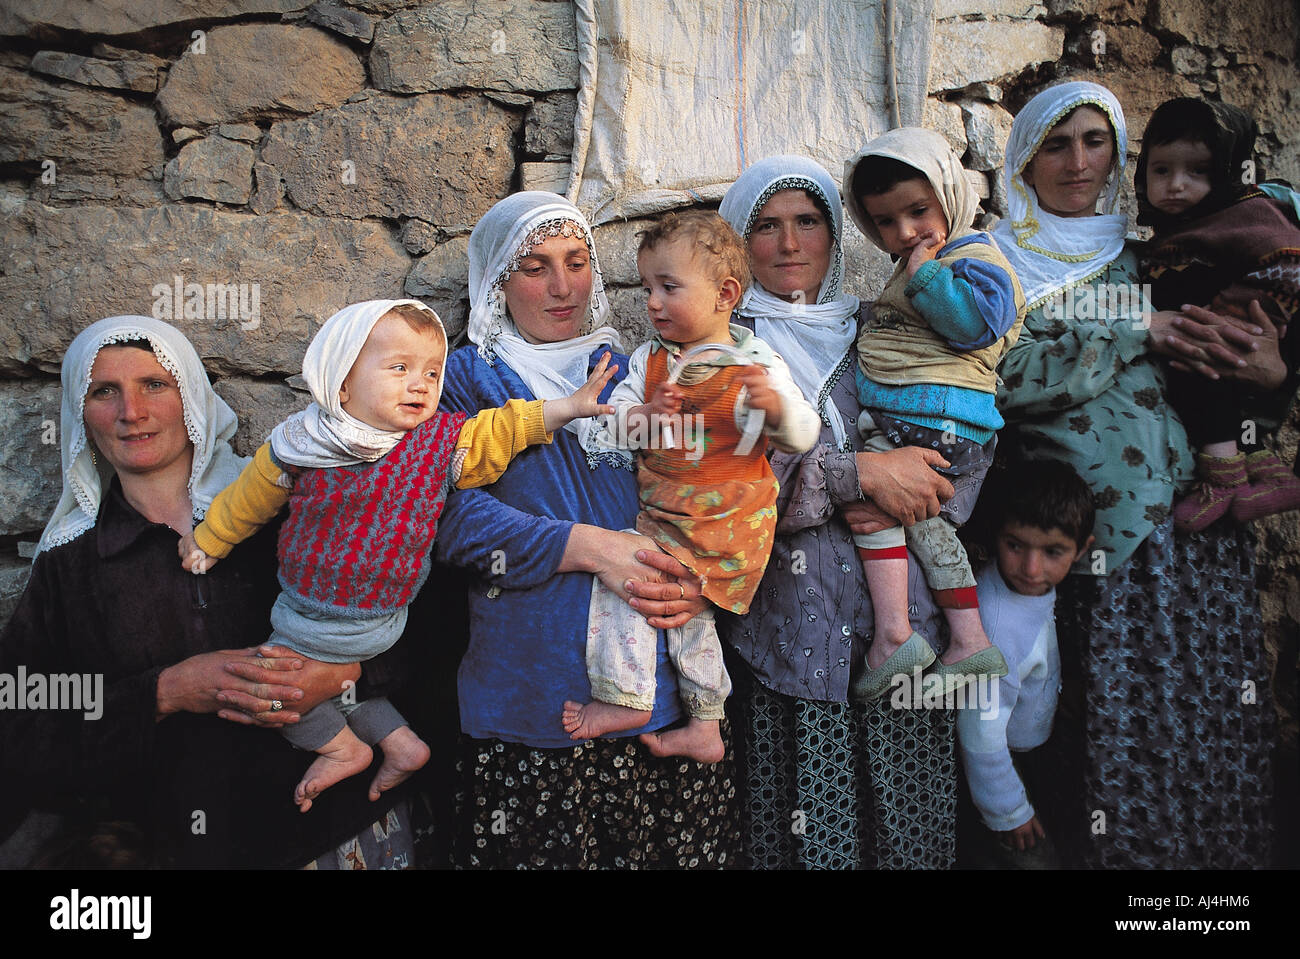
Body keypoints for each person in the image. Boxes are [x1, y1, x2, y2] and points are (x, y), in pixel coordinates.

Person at [0, 315, 415, 868]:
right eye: (105, 392)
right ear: (81, 415)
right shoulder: (70, 565)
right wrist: (165, 692)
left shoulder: (292, 505)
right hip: (175, 848)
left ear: (191, 394)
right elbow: (23, 725)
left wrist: (344, 674)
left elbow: (421, 622)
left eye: (154, 384)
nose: (132, 412)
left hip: (337, 835)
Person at [993, 80, 1278, 868]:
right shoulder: (996, 263)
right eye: (1056, 143)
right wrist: (1135, 327)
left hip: (1196, 527)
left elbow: (1255, 332)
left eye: (1096, 142)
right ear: (1023, 158)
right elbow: (1006, 381)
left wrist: (1273, 368)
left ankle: (1208, 884)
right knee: (1111, 723)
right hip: (1090, 541)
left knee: (1205, 712)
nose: (1078, 162)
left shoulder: (1163, 242)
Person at [179, 299, 615, 811]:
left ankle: (341, 750)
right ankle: (400, 743)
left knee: (278, 686)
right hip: (371, 620)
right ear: (341, 383)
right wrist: (211, 538)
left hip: (321, 613)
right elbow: (250, 500)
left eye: (433, 372)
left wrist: (209, 541)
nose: (421, 384)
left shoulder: (430, 442)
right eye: (400, 368)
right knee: (345, 687)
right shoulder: (308, 442)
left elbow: (501, 428)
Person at [431, 192, 740, 868]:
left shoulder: (644, 368)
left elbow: (721, 487)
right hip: (533, 699)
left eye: (576, 263)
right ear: (496, 282)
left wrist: (703, 582)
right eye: (535, 267)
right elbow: (444, 519)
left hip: (659, 698)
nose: (563, 286)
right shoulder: (469, 379)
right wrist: (591, 547)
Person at [717, 155, 960, 869]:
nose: (790, 244)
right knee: (806, 838)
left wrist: (916, 481)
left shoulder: (889, 324)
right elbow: (738, 499)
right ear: (738, 241)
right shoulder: (718, 353)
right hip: (790, 640)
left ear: (834, 233)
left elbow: (959, 452)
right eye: (766, 225)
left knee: (910, 835)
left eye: (808, 221)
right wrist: (863, 474)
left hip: (909, 632)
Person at [562, 211, 819, 762]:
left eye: (668, 288)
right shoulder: (648, 362)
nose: (652, 302)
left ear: (725, 293)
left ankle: (627, 694)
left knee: (624, 586)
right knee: (685, 615)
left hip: (728, 525)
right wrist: (649, 414)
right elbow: (612, 425)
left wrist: (775, 410)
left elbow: (802, 435)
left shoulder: (755, 362)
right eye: (649, 286)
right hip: (672, 521)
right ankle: (707, 721)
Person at [842, 128, 1025, 701]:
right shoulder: (929, 260)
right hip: (937, 423)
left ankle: (894, 635)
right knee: (926, 523)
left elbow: (974, 324)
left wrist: (924, 276)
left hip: (933, 417)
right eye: (885, 223)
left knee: (868, 502)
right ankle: (970, 639)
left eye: (919, 212)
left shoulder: (973, 254)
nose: (903, 234)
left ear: (951, 193)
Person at [1133, 96, 1300, 530]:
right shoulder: (1177, 234)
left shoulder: (1244, 217)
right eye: (1161, 170)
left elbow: (1285, 260)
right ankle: (1264, 469)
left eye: (1197, 172)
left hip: (1230, 338)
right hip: (1227, 355)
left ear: (1228, 172)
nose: (1175, 185)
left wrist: (1245, 312)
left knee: (1198, 363)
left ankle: (1223, 477)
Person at [956, 458, 1094, 869]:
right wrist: (1008, 810)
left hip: (1026, 747)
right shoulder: (995, 623)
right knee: (1030, 857)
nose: (1032, 569)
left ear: (1082, 549)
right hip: (1001, 764)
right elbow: (980, 730)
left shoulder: (1024, 592)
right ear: (997, 535)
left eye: (1053, 551)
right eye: (1015, 545)